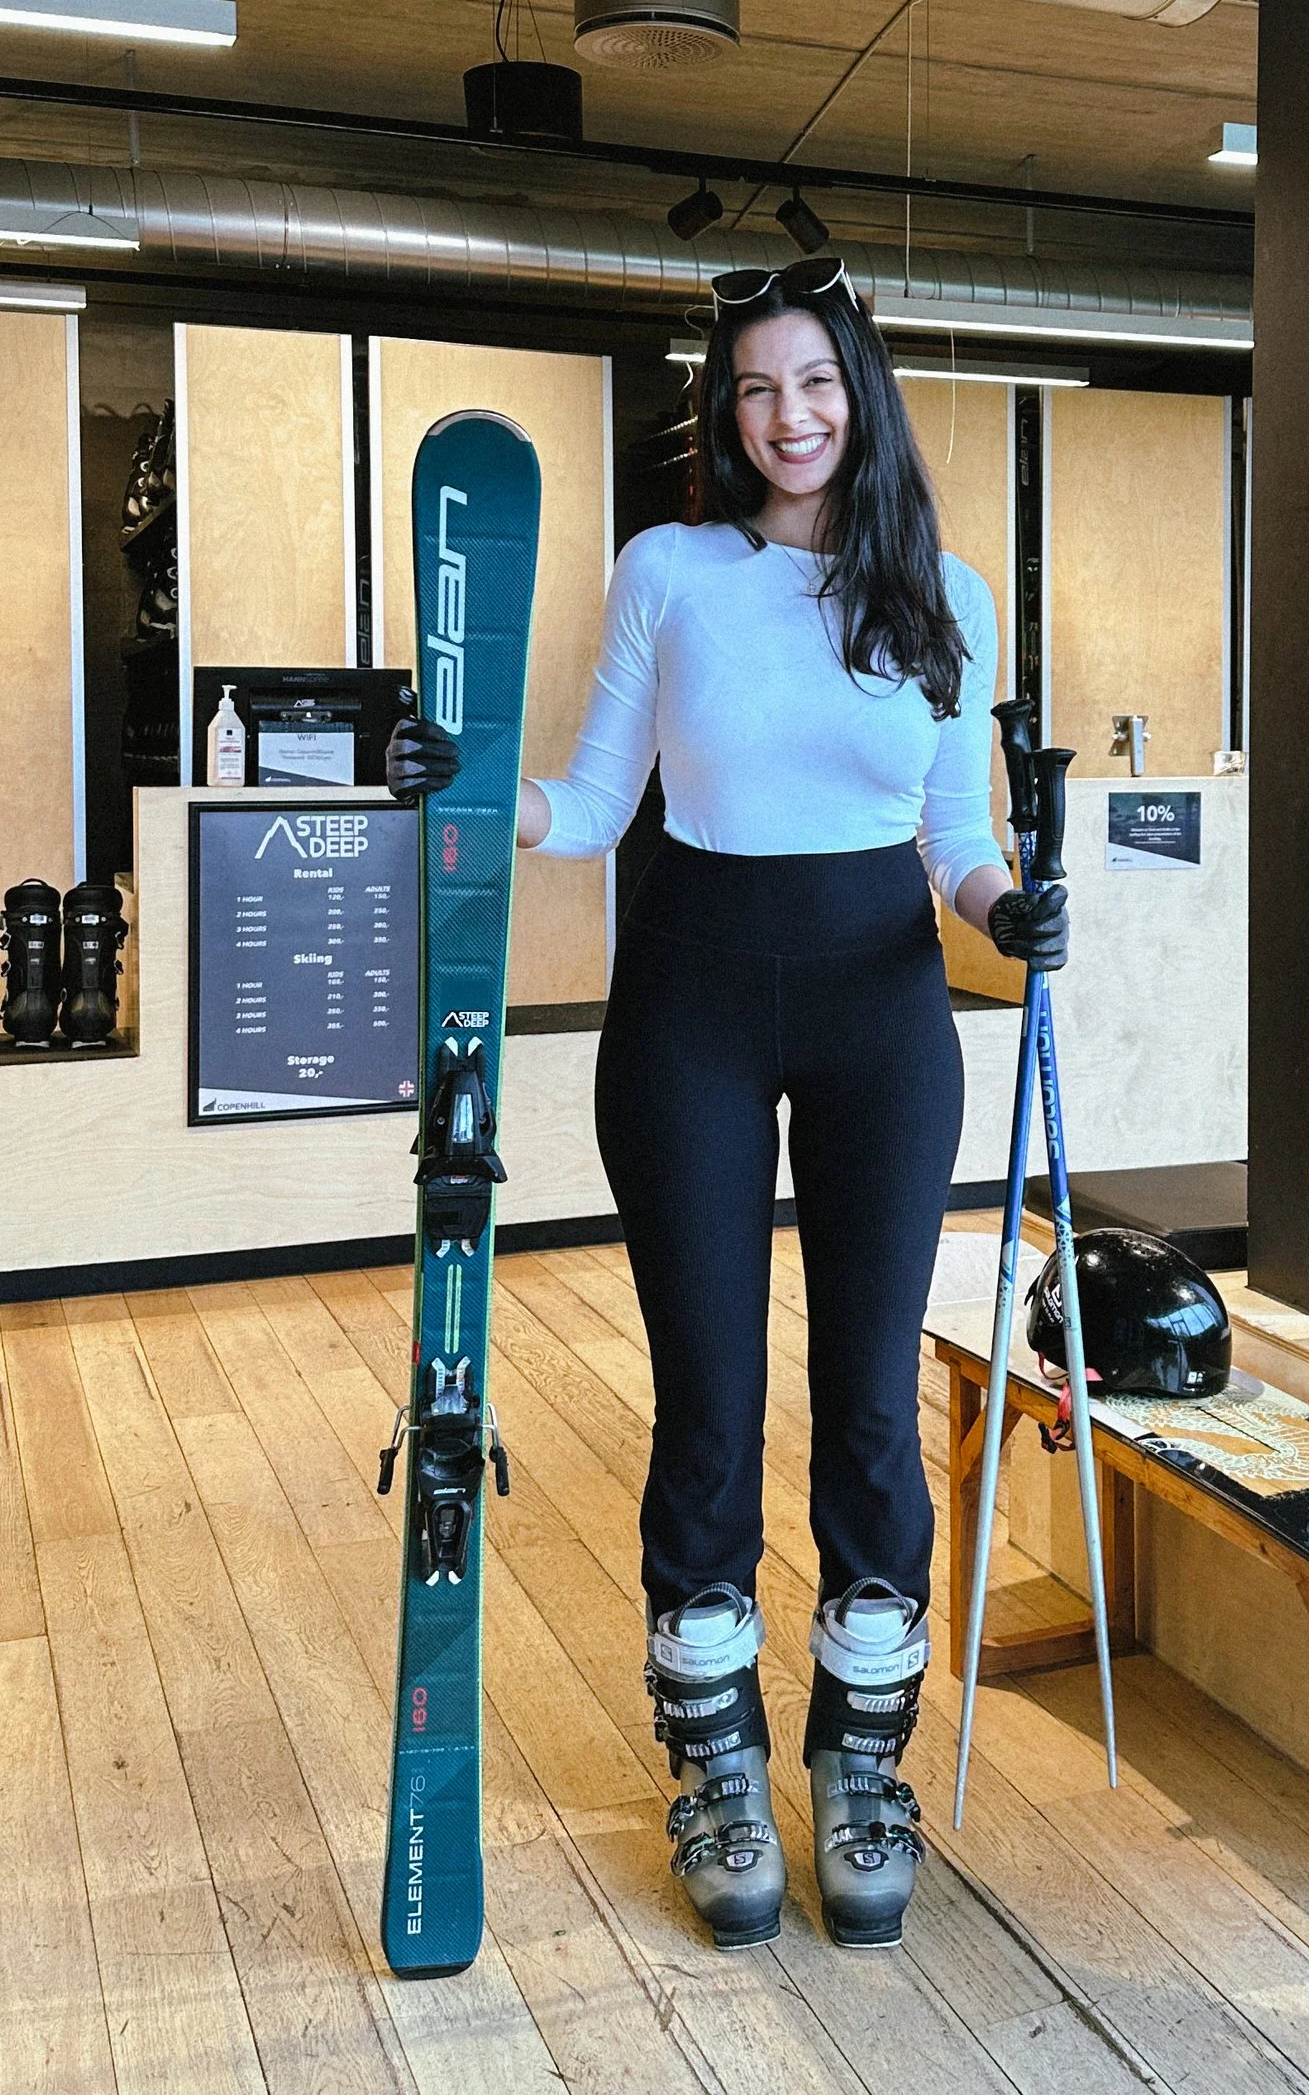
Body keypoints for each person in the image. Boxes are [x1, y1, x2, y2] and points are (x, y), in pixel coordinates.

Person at [386, 254, 1066, 1951]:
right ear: (725, 411)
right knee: (705, 1407)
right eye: (756, 389)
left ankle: (859, 1758)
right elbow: (594, 801)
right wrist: (466, 787)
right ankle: (718, 1765)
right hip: (689, 1004)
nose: (790, 417)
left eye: (815, 384)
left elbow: (957, 841)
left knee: (867, 1408)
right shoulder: (671, 573)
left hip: (882, 1018)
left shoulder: (947, 596)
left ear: (862, 392)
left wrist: (1006, 912)